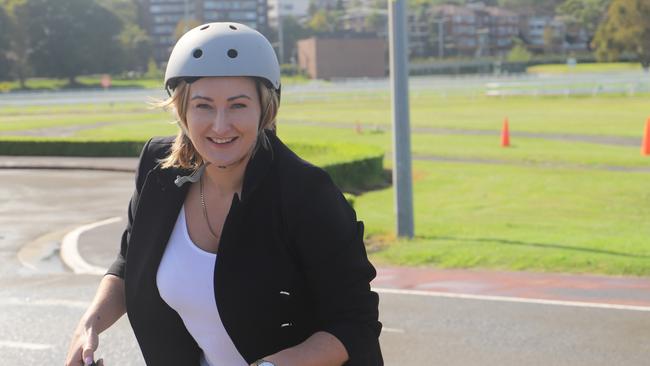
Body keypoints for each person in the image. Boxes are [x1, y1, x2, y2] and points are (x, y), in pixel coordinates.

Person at [65, 22, 383, 366]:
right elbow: (129, 264)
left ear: (265, 109)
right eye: (203, 106)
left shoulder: (307, 194)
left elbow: (355, 324)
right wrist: (88, 325)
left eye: (238, 105)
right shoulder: (157, 170)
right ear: (182, 110)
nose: (219, 125)